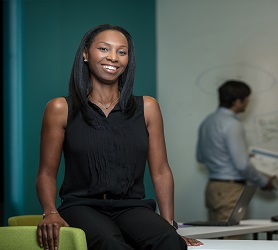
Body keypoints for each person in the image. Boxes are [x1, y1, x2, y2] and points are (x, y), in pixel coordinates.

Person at [35, 24, 202, 250]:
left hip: (132, 207)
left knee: (170, 242)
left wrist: (168, 225)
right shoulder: (60, 108)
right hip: (82, 207)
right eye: (104, 49)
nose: (113, 58)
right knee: (110, 243)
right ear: (85, 53)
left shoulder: (148, 107)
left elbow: (161, 171)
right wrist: (50, 212)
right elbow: (46, 173)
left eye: (121, 52)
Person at [196, 80, 275, 226]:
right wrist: (263, 182)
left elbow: (200, 157)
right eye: (246, 99)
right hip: (230, 190)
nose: (247, 103)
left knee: (214, 239)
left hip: (212, 187)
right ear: (238, 101)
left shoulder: (207, 122)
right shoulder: (233, 125)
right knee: (230, 239)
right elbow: (242, 165)